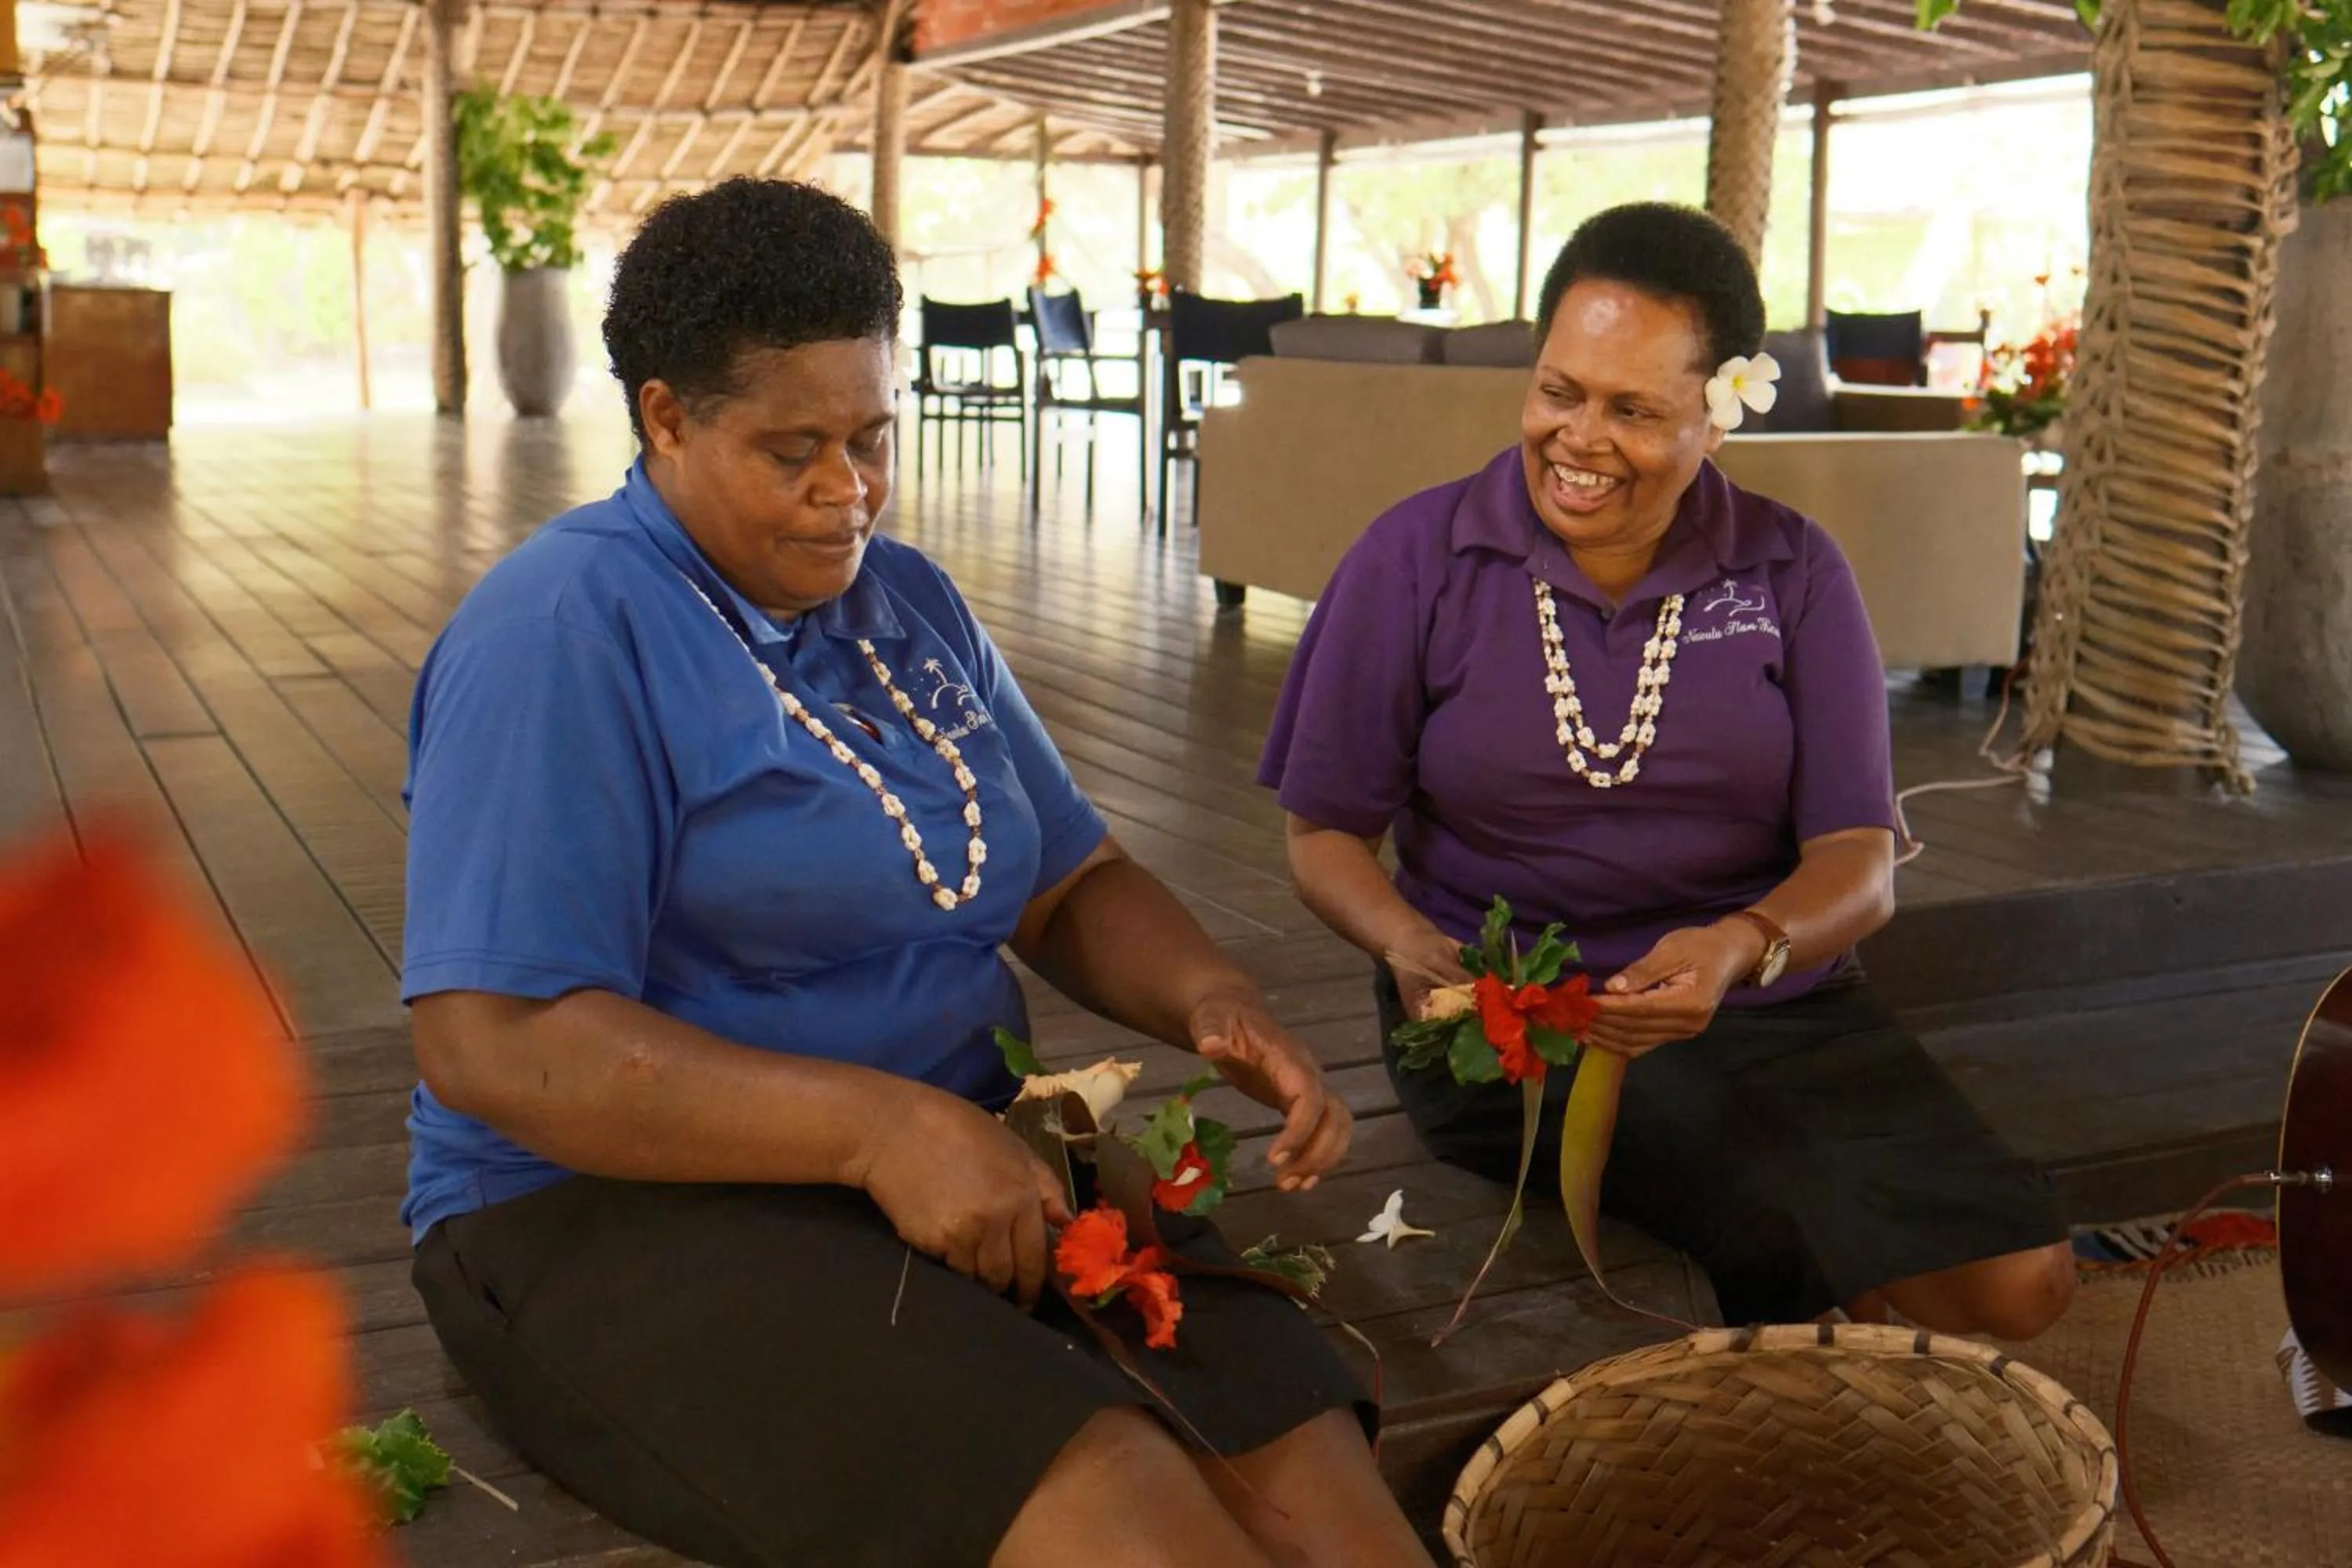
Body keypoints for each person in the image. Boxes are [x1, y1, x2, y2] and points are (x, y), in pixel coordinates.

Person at [399, 178, 1432, 1568]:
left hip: (953, 1146)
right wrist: (874, 1130)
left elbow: (1068, 879)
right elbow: (489, 1042)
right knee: (1113, 1487)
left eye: (873, 437)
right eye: (794, 450)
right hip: (601, 1207)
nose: (850, 492)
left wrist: (1210, 998)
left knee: (1309, 1471)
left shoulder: (910, 604)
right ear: (664, 419)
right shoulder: (565, 629)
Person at [1259, 202, 2074, 1339]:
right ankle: (1843, 1396)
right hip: (1513, 1028)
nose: (1580, 440)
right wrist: (1403, 941)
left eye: (1634, 410)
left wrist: (1741, 946)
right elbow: (1321, 836)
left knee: (2021, 1284)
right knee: (1806, 1230)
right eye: (1560, 391)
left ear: (1718, 416)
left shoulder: (1792, 570)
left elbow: (1860, 863)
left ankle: (1845, 1368)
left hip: (1771, 1000)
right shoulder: (1417, 556)